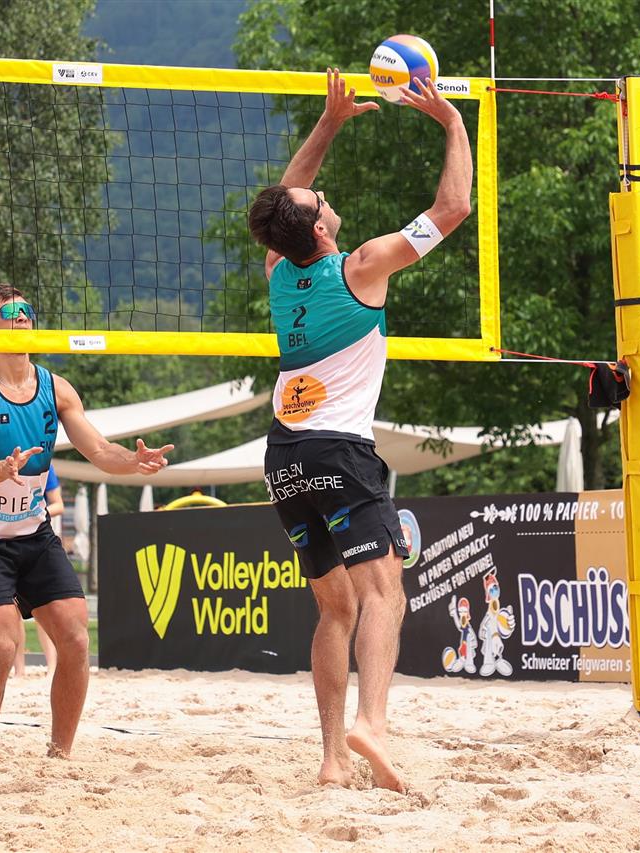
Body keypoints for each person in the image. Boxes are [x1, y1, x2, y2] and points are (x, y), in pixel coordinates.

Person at [247, 70, 471, 792]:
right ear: (320, 229)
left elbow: (288, 196)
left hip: (284, 458)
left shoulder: (279, 271)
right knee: (384, 595)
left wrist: (330, 123)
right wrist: (452, 124)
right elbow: (453, 206)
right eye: (320, 202)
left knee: (335, 608)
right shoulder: (363, 266)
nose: (323, 196)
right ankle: (370, 723)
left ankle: (332, 757)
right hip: (339, 451)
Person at [0, 283, 173, 763]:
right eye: (11, 312)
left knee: (75, 636)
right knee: (3, 645)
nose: (23, 317)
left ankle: (59, 754)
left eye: (27, 310)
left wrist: (134, 462)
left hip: (33, 534)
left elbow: (101, 451)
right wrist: (1, 468)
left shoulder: (56, 388)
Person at [11, 464, 64, 678]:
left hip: (36, 539)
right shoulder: (3, 462)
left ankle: (52, 667)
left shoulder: (44, 464)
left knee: (43, 607)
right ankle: (19, 670)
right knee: (12, 609)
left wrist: (33, 514)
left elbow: (58, 504)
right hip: (5, 540)